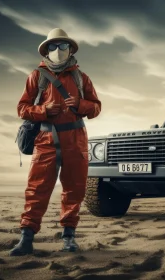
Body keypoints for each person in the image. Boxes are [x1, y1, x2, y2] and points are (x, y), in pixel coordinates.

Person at [10, 28, 101, 256]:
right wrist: (43, 110)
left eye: (62, 46)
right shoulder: (36, 76)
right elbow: (22, 108)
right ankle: (26, 238)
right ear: (46, 50)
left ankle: (69, 237)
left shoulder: (82, 77)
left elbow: (96, 107)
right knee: (37, 188)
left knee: (75, 189)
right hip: (45, 140)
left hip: (76, 139)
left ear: (70, 49)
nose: (58, 51)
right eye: (53, 46)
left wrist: (80, 105)